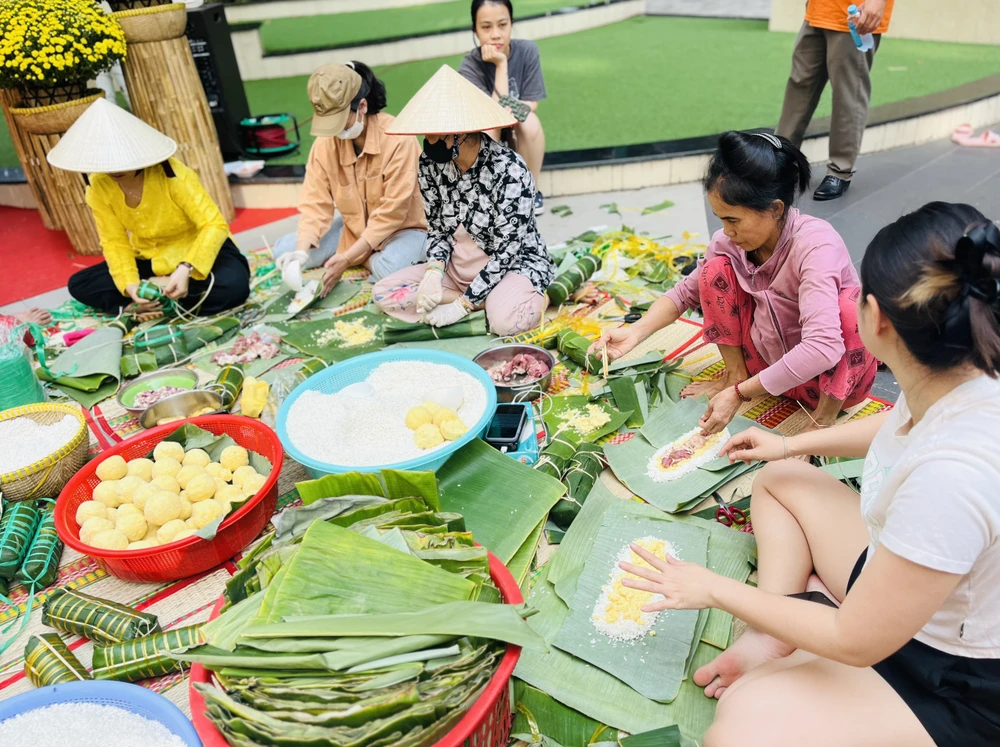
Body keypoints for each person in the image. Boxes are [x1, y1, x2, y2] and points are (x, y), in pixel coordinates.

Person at [619, 203, 1000, 747]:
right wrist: (788, 444)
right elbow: (900, 427)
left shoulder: (951, 479)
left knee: (740, 726)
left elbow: (856, 640)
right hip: (900, 586)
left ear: (877, 318)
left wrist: (713, 589)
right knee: (779, 478)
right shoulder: (969, 372)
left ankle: (795, 623)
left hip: (947, 673)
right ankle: (781, 626)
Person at [594, 131, 877, 434]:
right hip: (764, 367)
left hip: (825, 382)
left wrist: (741, 396)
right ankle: (735, 374)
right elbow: (685, 293)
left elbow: (823, 348)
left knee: (853, 310)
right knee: (713, 272)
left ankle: (822, 421)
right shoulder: (729, 243)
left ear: (775, 209)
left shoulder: (816, 246)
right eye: (720, 220)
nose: (726, 232)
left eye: (733, 220)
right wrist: (635, 332)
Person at [374, 65, 554, 337]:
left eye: (439, 133)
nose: (430, 140)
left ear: (464, 131)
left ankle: (526, 296)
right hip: (457, 269)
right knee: (384, 293)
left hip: (510, 266)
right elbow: (437, 228)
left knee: (504, 323)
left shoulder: (509, 171)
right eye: (427, 132)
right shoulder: (430, 164)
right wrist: (434, 272)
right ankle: (481, 300)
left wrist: (461, 305)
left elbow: (507, 251)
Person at [47, 99, 249, 316]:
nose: (114, 169)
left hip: (197, 253)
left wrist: (185, 268)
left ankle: (160, 295)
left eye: (121, 160)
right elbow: (114, 242)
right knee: (80, 283)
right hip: (149, 258)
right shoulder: (99, 187)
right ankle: (150, 300)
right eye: (106, 162)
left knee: (234, 286)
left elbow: (214, 225)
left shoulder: (175, 176)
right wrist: (131, 285)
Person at [272, 62, 428, 295]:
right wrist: (302, 251)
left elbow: (392, 214)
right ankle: (364, 256)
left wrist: (348, 257)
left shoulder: (398, 139)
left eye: (339, 120)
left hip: (403, 230)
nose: (334, 131)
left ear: (362, 106)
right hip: (353, 229)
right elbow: (315, 204)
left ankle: (363, 257)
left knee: (392, 267)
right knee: (285, 250)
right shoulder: (325, 144)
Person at [775, 0, 894, 201]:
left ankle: (840, 170)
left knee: (849, 93)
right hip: (819, 10)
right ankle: (781, 158)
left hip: (856, 14)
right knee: (800, 83)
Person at [459, 0, 547, 215]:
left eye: (502, 25)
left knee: (531, 123)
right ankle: (489, 194)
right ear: (475, 30)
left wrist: (511, 109)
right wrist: (501, 65)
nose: (496, 34)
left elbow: (531, 103)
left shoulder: (527, 50)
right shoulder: (470, 65)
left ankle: (530, 191)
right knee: (488, 128)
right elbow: (492, 116)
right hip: (487, 130)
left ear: (511, 24)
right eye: (486, 27)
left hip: (517, 126)